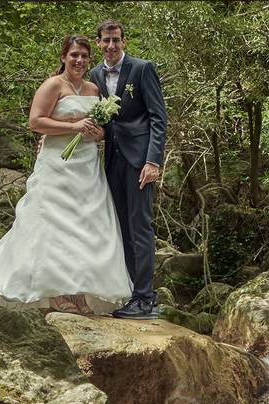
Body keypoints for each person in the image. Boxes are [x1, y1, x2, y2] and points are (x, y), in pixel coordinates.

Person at [0, 35, 132, 315]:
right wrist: (74, 127)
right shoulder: (53, 85)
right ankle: (54, 293)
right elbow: (36, 122)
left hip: (87, 166)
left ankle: (79, 292)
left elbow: (98, 131)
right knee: (54, 226)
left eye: (85, 56)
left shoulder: (92, 89)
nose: (79, 60)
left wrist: (95, 133)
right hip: (57, 166)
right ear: (64, 57)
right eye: (74, 55)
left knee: (86, 227)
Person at [90, 19, 168, 320]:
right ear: (98, 43)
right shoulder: (95, 74)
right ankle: (134, 293)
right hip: (111, 161)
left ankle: (147, 299)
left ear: (124, 41)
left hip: (140, 162)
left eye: (116, 40)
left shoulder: (142, 68)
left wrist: (153, 161)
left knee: (140, 228)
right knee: (121, 229)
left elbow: (158, 118)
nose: (111, 46)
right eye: (106, 40)